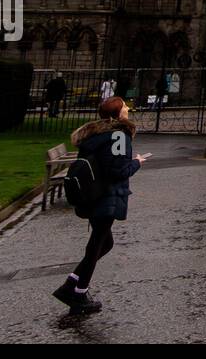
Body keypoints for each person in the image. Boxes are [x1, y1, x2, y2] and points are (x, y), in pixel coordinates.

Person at [52, 96, 149, 314]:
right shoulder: (118, 135)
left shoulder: (97, 134)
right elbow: (117, 171)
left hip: (93, 194)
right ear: (117, 114)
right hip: (107, 196)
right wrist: (136, 162)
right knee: (98, 244)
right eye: (124, 106)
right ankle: (77, 293)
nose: (127, 109)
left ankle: (72, 286)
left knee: (103, 244)